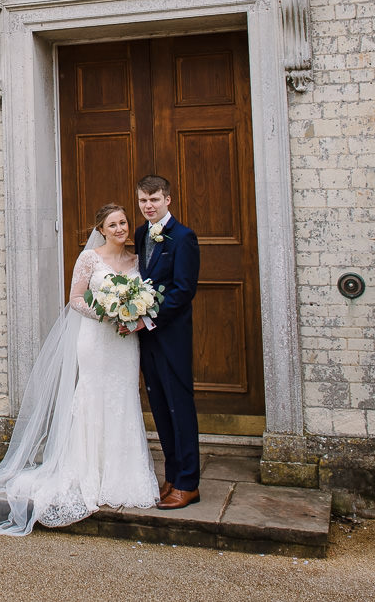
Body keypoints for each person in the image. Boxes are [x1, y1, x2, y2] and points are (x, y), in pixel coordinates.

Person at [0, 203, 159, 535]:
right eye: (112, 224)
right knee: (92, 398)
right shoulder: (89, 259)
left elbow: (146, 300)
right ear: (100, 229)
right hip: (96, 340)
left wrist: (132, 318)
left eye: (124, 223)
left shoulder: (136, 261)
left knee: (123, 398)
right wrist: (107, 313)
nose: (120, 228)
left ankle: (121, 476)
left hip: (125, 344)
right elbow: (76, 299)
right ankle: (88, 474)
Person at [132, 174, 202, 509]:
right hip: (148, 338)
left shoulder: (183, 237)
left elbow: (183, 291)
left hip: (171, 334)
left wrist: (146, 316)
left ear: (167, 199)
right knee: (159, 405)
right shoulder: (141, 233)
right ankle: (172, 475)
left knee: (180, 405)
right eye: (144, 201)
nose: (148, 206)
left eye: (154, 200)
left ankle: (189, 482)